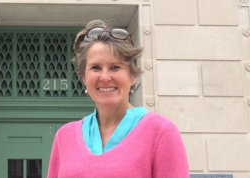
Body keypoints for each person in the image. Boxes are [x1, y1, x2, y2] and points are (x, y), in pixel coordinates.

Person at [47, 20, 189, 178]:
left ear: (133, 76)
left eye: (115, 67)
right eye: (95, 68)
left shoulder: (161, 132)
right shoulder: (64, 136)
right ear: (83, 77)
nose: (105, 77)